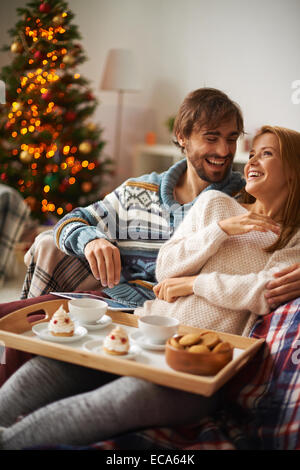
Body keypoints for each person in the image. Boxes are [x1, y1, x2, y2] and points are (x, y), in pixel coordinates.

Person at [0, 124, 299, 450]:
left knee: (109, 403)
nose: (250, 161)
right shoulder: (216, 204)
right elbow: (166, 266)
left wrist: (193, 283)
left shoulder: (293, 239)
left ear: (294, 168)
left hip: (195, 372)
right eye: (252, 153)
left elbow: (261, 292)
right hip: (142, 336)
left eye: (266, 154)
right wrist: (220, 231)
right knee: (48, 370)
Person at [0, 88, 299, 316]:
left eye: (231, 138)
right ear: (182, 137)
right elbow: (72, 221)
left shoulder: (243, 199)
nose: (224, 150)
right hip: (110, 302)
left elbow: (289, 215)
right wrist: (91, 240)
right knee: (21, 311)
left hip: (168, 315)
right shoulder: (138, 191)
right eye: (211, 138)